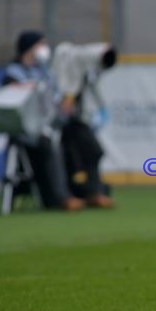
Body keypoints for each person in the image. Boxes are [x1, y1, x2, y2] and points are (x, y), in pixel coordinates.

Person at [1, 30, 85, 211]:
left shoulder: (45, 73)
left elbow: (55, 101)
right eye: (41, 44)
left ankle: (87, 191)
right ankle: (59, 197)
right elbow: (11, 107)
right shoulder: (13, 74)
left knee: (80, 136)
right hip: (26, 131)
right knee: (49, 145)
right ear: (28, 48)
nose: (45, 49)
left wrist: (65, 106)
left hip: (49, 125)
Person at [51, 42, 117, 208]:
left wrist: (100, 108)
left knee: (87, 154)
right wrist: (69, 97)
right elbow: (70, 84)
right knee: (86, 153)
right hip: (65, 114)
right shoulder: (76, 59)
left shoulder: (89, 63)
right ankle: (82, 194)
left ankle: (91, 193)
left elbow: (90, 86)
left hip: (76, 116)